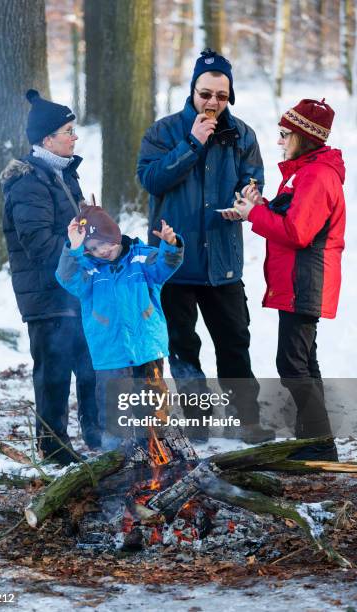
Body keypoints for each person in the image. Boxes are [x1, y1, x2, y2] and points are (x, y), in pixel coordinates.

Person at [137, 48, 274, 443]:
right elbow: (152, 181)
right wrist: (192, 144)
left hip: (222, 262)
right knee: (184, 349)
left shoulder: (242, 135)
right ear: (193, 90)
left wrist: (248, 197)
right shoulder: (162, 133)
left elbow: (252, 181)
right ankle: (198, 426)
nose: (213, 103)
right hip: (175, 263)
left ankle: (247, 420)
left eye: (221, 96)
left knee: (234, 343)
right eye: (206, 94)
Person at [223, 98, 345, 461]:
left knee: (291, 366)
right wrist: (259, 205)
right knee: (304, 363)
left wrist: (254, 213)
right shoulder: (306, 171)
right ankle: (315, 444)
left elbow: (297, 232)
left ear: (303, 137)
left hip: (306, 280)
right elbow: (291, 213)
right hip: (299, 280)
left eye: (284, 134)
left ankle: (319, 445)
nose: (280, 141)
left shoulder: (317, 175)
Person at [0, 89, 98, 466]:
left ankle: (98, 435)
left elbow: (75, 228)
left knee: (90, 363)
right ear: (47, 139)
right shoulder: (29, 183)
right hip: (45, 294)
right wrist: (83, 244)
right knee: (54, 372)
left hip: (73, 290)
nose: (74, 137)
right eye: (68, 131)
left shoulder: (62, 174)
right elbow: (40, 244)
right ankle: (54, 447)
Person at [55, 205, 184, 450]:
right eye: (92, 248)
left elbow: (166, 266)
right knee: (115, 411)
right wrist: (73, 247)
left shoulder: (141, 258)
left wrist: (171, 244)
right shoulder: (88, 270)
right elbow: (66, 277)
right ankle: (118, 459)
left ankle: (160, 454)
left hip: (147, 348)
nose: (100, 251)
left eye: (104, 243)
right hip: (110, 353)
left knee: (154, 406)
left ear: (114, 235)